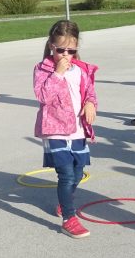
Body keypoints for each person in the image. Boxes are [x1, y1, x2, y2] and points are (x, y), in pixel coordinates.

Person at [33, 20, 98, 238]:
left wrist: (90, 104)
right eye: (61, 50)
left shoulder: (81, 69)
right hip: (55, 129)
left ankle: (64, 201)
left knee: (78, 171)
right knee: (67, 174)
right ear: (52, 45)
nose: (65, 55)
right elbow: (43, 96)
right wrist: (57, 74)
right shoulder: (43, 69)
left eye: (71, 51)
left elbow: (90, 92)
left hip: (78, 130)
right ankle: (69, 218)